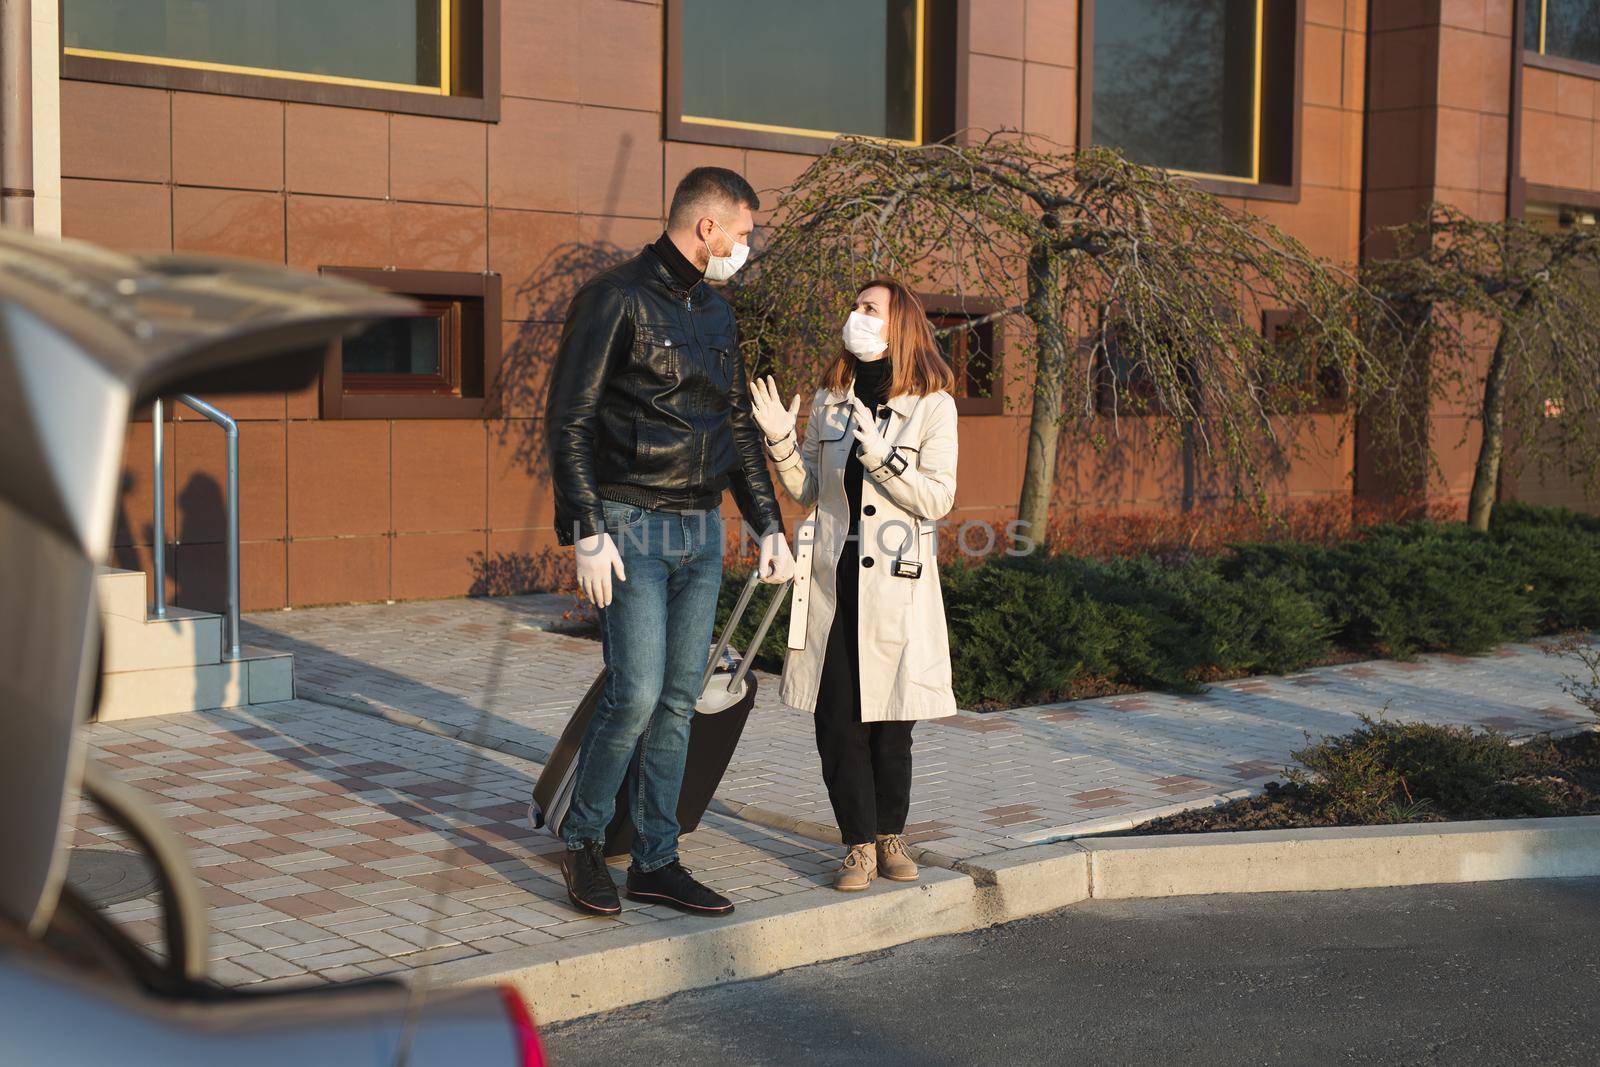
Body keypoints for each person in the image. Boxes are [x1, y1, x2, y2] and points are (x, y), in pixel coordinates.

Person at [544, 167, 794, 917]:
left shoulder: (718, 314)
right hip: (629, 524)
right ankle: (585, 842)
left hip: (699, 530)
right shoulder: (614, 297)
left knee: (680, 701)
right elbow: (569, 419)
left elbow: (738, 430)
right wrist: (585, 528)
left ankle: (655, 858)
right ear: (706, 228)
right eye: (744, 234)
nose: (747, 248)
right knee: (636, 693)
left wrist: (769, 524)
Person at [750, 278, 959, 892]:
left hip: (897, 582)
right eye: (855, 307)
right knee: (837, 719)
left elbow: (938, 498)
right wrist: (781, 438)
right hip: (833, 578)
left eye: (870, 309)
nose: (856, 317)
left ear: (900, 325)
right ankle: (857, 845)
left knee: (892, 720)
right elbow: (806, 491)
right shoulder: (832, 398)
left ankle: (892, 835)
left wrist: (884, 458)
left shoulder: (933, 403)